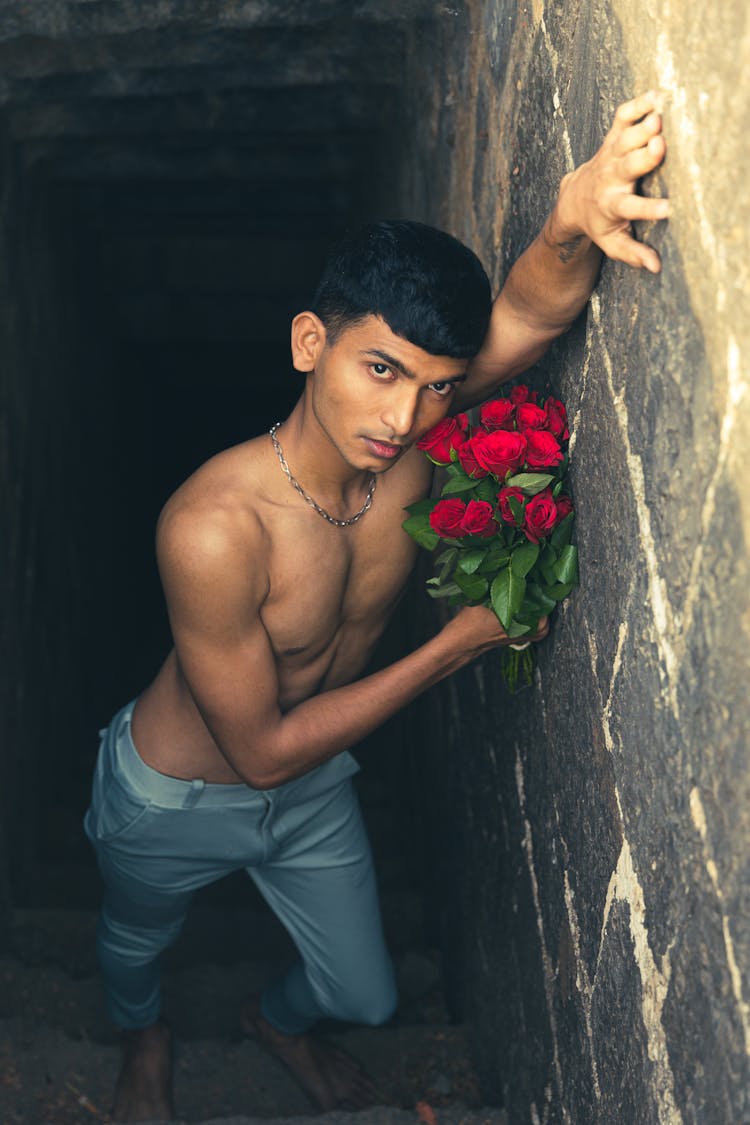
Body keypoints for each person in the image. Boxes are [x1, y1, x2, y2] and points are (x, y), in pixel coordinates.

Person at [84, 92, 669, 1122]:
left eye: (438, 386)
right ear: (311, 342)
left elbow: (530, 316)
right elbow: (258, 750)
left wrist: (570, 216)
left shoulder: (408, 449)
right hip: (174, 794)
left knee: (366, 994)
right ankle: (146, 1041)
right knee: (132, 947)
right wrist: (457, 648)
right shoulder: (214, 527)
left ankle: (279, 1020)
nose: (403, 416)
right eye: (382, 370)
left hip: (306, 790)